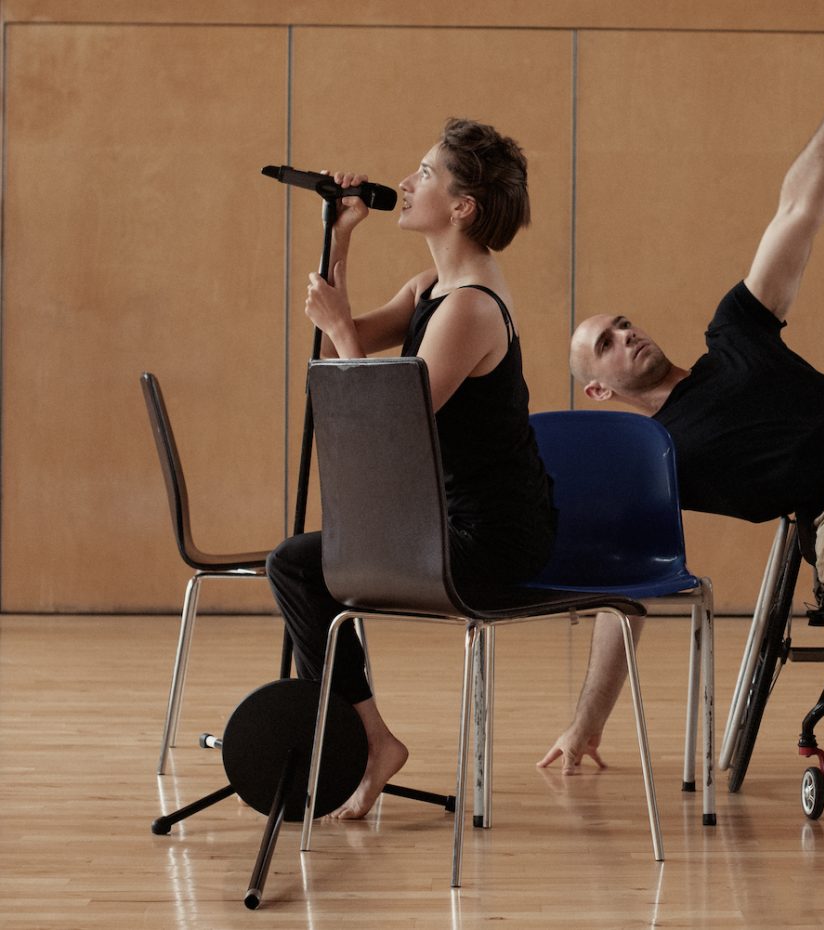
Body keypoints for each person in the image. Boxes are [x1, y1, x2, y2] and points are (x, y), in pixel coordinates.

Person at [543, 12, 824, 789]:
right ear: (598, 389)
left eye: (624, 324)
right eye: (606, 345)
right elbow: (625, 587)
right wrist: (586, 723)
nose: (627, 338)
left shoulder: (735, 334)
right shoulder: (657, 460)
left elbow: (796, 212)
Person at [266, 118, 557, 818]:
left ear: (462, 206)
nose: (406, 182)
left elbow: (390, 429)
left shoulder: (471, 309)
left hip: (492, 539)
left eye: (425, 173)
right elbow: (352, 335)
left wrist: (338, 331)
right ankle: (371, 742)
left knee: (301, 567)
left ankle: (366, 744)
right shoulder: (431, 285)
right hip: (446, 523)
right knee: (303, 565)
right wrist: (340, 235)